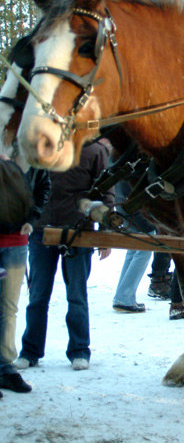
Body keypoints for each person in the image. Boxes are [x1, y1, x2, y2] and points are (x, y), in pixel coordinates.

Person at [15, 139, 114, 371]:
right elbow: (26, 186)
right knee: (37, 296)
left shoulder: (94, 149)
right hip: (41, 229)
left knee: (77, 295)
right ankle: (30, 351)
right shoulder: (42, 144)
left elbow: (106, 190)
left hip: (78, 232)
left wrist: (106, 232)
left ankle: (79, 350)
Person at [0, 152, 50, 396]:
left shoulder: (28, 153)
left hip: (16, 241)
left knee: (8, 309)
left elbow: (43, 185)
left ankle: (4, 368)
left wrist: (32, 217)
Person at [112, 179, 155, 313]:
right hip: (133, 207)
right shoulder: (136, 160)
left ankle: (122, 295)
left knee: (133, 249)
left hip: (122, 205)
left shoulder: (119, 160)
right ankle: (124, 297)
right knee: (147, 244)